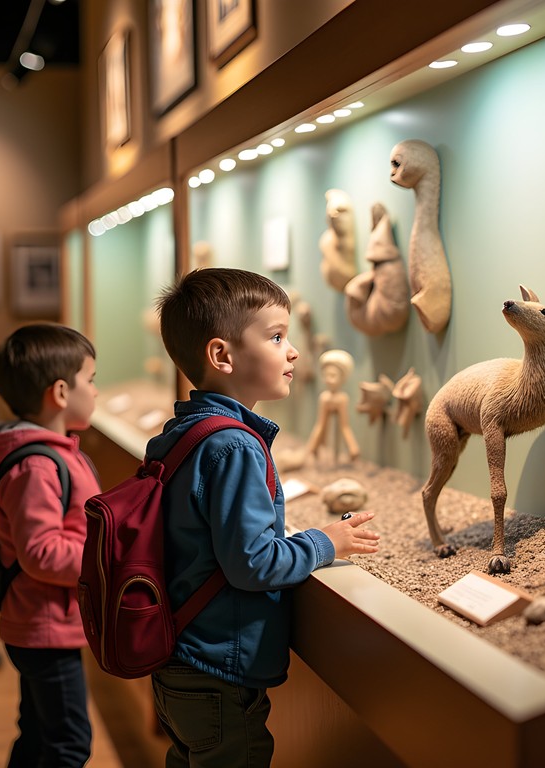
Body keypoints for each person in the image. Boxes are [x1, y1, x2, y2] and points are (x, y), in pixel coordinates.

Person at [149, 267, 380, 766]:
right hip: (218, 670)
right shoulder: (233, 446)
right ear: (222, 355)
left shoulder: (184, 430)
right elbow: (251, 562)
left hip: (181, 661)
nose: (292, 350)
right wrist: (325, 541)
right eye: (276, 336)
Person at [0, 323, 100, 767]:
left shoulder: (53, 453)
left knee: (40, 733)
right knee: (69, 743)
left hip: (45, 621)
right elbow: (40, 551)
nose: (96, 391)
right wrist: (105, 559)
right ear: (60, 392)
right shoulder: (38, 465)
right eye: (91, 380)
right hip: (44, 624)